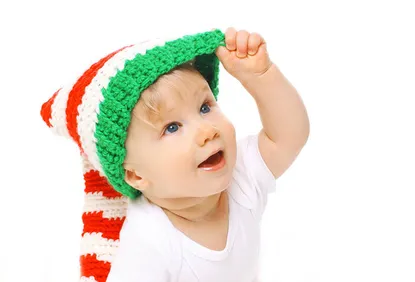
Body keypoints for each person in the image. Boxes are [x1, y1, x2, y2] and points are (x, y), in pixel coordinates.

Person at [40, 27, 309, 282]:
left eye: (205, 107)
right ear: (135, 175)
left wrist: (261, 77)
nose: (206, 131)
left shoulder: (242, 178)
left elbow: (287, 136)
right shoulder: (149, 241)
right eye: (172, 127)